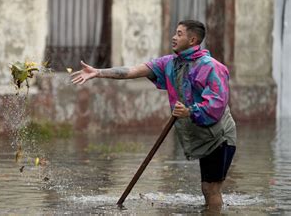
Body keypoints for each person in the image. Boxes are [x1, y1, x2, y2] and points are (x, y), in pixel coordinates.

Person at [71, 20, 236, 209]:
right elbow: (133, 71)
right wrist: (98, 72)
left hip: (219, 135)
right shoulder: (169, 63)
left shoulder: (211, 67)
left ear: (192, 40)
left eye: (179, 34)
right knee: (207, 188)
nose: (174, 37)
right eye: (175, 32)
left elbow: (217, 103)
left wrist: (190, 111)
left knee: (211, 188)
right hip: (198, 134)